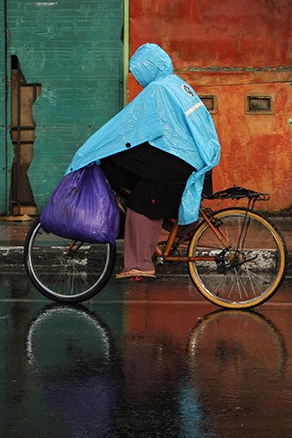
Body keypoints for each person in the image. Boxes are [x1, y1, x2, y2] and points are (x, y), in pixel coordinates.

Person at [67, 43, 221, 280]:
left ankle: (141, 263)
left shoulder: (158, 90)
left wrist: (91, 149)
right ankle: (174, 224)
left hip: (176, 157)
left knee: (139, 202)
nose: (136, 77)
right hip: (190, 156)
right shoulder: (177, 84)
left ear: (147, 67)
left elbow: (127, 126)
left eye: (137, 71)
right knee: (144, 180)